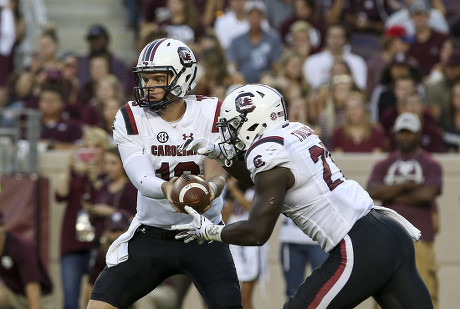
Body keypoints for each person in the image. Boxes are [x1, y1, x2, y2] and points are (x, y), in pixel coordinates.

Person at [173, 83, 433, 308]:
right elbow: (262, 179)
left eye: (233, 126)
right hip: (389, 231)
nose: (230, 134)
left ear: (254, 121)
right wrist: (222, 155)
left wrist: (209, 232)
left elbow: (257, 232)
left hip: (358, 244)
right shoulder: (294, 131)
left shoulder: (267, 153)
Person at [86, 38, 242, 309]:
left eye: (158, 78)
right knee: (99, 305)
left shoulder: (212, 111)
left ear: (184, 77)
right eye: (146, 78)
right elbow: (141, 177)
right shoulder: (131, 117)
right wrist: (168, 189)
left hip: (203, 234)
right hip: (152, 234)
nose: (149, 86)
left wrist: (209, 189)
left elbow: (218, 174)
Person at [367, 112, 443, 309]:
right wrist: (406, 186)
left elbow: (428, 194)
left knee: (425, 292)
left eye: (409, 133)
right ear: (395, 134)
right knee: (383, 295)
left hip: (420, 239)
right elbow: (372, 189)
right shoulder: (384, 164)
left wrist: (391, 194)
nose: (405, 137)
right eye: (401, 132)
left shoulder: (431, 163)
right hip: (387, 239)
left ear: (418, 134)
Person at [55, 127, 112, 309]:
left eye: (96, 146)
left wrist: (93, 175)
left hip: (98, 242)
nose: (91, 151)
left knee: (96, 296)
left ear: (104, 149)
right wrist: (68, 168)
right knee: (70, 298)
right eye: (87, 146)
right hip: (72, 240)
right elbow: (60, 195)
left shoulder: (109, 174)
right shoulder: (74, 173)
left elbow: (105, 196)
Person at [222, 177, 267, 309]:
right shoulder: (225, 193)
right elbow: (224, 217)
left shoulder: (254, 189)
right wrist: (230, 195)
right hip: (231, 246)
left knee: (245, 299)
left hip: (249, 246)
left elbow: (253, 210)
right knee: (226, 297)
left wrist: (235, 190)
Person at [0, 211, 54, 309]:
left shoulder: (20, 248)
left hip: (41, 297)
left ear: (3, 227)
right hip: (14, 293)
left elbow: (33, 286)